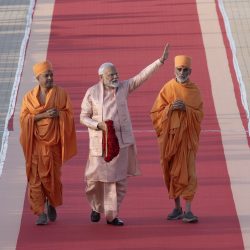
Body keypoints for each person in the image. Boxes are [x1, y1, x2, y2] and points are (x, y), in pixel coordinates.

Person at [80, 44, 170, 226]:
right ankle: (96, 207)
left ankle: (112, 216)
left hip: (121, 143)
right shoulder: (92, 93)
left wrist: (160, 61)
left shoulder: (123, 88)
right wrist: (98, 125)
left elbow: (141, 77)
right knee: (94, 181)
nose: (115, 77)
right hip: (101, 144)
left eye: (116, 74)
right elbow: (83, 117)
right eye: (111, 75)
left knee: (118, 182)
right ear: (101, 77)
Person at [20, 61, 77, 225]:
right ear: (38, 78)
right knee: (35, 180)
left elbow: (70, 114)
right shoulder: (29, 97)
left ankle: (51, 203)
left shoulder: (61, 94)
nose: (50, 78)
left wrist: (59, 114)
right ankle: (40, 213)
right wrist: (42, 116)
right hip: (36, 146)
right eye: (46, 75)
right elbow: (24, 120)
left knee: (53, 179)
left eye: (51, 74)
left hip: (53, 146)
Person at [150, 55, 203, 223]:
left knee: (189, 173)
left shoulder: (195, 91)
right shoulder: (167, 88)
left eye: (185, 70)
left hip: (187, 141)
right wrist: (170, 109)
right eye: (179, 69)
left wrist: (186, 109)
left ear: (190, 71)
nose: (182, 72)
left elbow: (199, 114)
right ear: (174, 70)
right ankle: (177, 208)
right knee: (172, 172)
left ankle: (188, 210)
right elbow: (155, 113)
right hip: (171, 141)